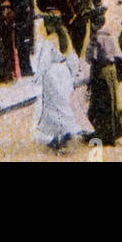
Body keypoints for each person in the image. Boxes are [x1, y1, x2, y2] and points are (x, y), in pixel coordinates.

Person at [85, 0, 122, 146]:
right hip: (112, 71)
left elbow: (90, 58)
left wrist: (89, 82)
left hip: (101, 73)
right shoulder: (110, 33)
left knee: (97, 107)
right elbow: (118, 56)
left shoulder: (95, 38)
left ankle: (102, 135)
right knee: (112, 104)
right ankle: (112, 134)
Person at [33, 13, 81, 152]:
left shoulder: (49, 42)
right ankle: (64, 134)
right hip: (64, 72)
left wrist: (38, 76)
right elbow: (72, 57)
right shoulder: (65, 38)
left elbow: (44, 62)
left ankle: (57, 137)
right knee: (63, 103)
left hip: (52, 74)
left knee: (53, 105)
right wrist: (73, 73)